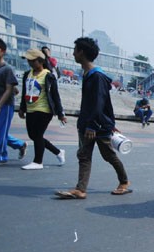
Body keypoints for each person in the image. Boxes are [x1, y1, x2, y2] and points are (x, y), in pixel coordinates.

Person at [55, 37, 131, 200]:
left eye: (75, 50)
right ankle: (80, 189)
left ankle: (124, 182)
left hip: (97, 125)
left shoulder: (97, 76)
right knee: (84, 156)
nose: (73, 53)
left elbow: (99, 103)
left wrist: (92, 126)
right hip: (88, 123)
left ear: (81, 52)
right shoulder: (88, 74)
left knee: (108, 156)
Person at [17, 48, 67, 169]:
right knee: (33, 136)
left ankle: (38, 162)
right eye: (29, 61)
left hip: (44, 110)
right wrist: (22, 108)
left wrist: (60, 114)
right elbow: (25, 91)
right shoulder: (27, 74)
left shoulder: (48, 76)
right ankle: (58, 152)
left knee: (38, 135)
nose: (30, 63)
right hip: (30, 109)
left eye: (32, 61)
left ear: (40, 61)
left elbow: (55, 96)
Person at [0, 38, 27, 165]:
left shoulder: (8, 69)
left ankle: (1, 156)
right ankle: (19, 144)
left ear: (3, 51)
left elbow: (9, 90)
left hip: (4, 105)